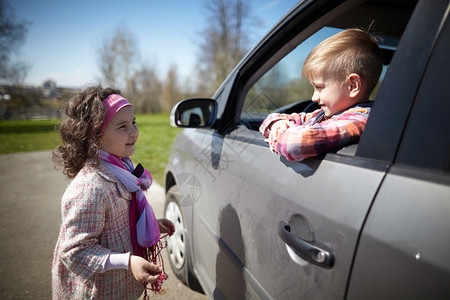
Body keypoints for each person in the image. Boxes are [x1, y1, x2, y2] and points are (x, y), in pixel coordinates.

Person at [52, 86, 175, 299]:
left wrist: (152, 223)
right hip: (96, 292)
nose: (134, 131)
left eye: (133, 122)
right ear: (94, 135)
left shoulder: (121, 168)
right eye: (122, 126)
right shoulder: (90, 188)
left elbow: (120, 219)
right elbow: (74, 251)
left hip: (120, 287)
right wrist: (127, 261)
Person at [259, 28, 383, 161]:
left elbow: (293, 144)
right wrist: (278, 124)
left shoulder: (359, 121)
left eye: (319, 87)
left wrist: (277, 135)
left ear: (353, 85)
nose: (314, 98)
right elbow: (272, 119)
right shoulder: (324, 114)